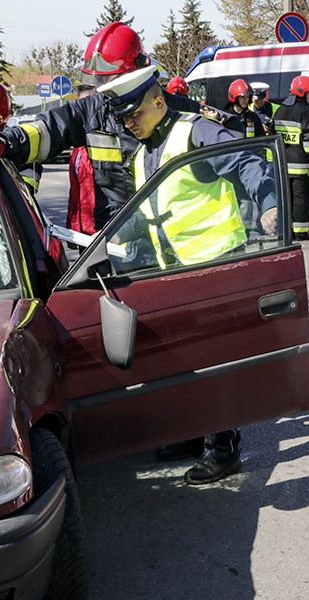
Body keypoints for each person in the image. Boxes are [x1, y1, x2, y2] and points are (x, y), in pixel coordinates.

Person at [101, 65, 279, 484]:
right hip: (170, 271)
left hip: (211, 266)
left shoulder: (196, 131)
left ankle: (222, 450)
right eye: (123, 119)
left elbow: (248, 162)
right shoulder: (145, 150)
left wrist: (269, 203)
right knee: (177, 362)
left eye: (134, 115)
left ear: (158, 102)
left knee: (210, 364)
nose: (129, 124)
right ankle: (190, 433)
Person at [0, 22, 213, 231]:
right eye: (100, 84)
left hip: (174, 239)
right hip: (116, 238)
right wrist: (8, 142)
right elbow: (49, 129)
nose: (105, 92)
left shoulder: (180, 111)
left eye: (112, 82)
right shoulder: (93, 110)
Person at [271, 75, 309, 241]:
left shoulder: (280, 110)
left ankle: (285, 231)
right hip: (301, 167)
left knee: (286, 200)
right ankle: (300, 232)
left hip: (281, 167)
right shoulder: (305, 112)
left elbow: (272, 135)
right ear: (302, 93)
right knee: (301, 200)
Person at [65, 83, 98, 235]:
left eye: (88, 103)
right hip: (83, 232)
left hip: (102, 231)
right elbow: (75, 194)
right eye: (80, 104)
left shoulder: (105, 143)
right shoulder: (78, 148)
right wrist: (72, 228)